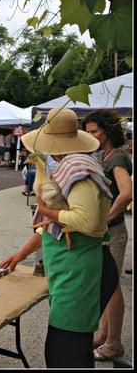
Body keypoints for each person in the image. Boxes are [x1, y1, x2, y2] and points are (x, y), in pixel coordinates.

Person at [0, 108, 118, 368]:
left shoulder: (78, 169)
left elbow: (85, 221)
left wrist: (45, 210)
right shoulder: (68, 165)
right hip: (73, 270)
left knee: (64, 354)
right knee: (71, 349)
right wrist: (20, 255)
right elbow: (53, 227)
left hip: (82, 272)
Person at [83, 109, 132, 361]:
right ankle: (104, 333)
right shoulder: (105, 155)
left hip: (112, 231)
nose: (91, 135)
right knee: (104, 284)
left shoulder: (117, 157)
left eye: (95, 131)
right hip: (105, 231)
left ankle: (114, 343)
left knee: (112, 287)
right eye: (88, 131)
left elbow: (126, 193)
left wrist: (105, 218)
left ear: (109, 130)